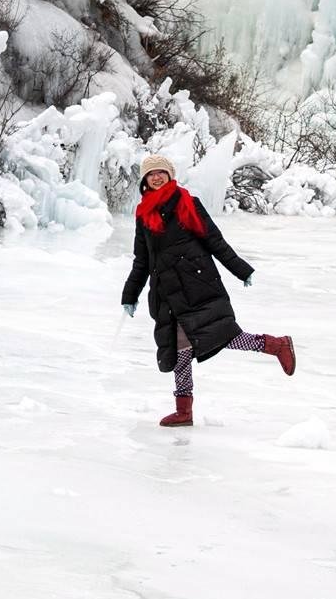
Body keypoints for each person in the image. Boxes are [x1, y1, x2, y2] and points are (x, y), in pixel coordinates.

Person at [120, 155, 295, 428]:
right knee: (180, 351)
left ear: (169, 175)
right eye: (150, 174)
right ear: (145, 180)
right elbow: (142, 261)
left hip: (197, 287)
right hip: (167, 295)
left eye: (161, 173)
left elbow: (214, 240)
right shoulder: (144, 215)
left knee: (222, 336)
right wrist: (130, 295)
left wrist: (241, 269)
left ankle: (276, 345)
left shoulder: (187, 203)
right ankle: (184, 411)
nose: (156, 177)